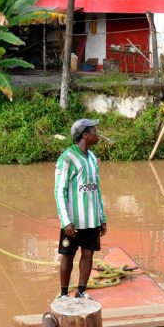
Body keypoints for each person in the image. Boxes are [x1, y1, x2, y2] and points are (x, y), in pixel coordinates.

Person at [55, 118, 106, 300]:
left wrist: (102, 217)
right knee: (68, 256)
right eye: (94, 130)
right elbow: (59, 191)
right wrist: (65, 221)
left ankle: (82, 292)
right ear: (85, 135)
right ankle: (63, 294)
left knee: (88, 254)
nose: (97, 133)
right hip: (73, 222)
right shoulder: (67, 159)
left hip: (91, 219)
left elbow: (97, 189)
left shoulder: (92, 158)